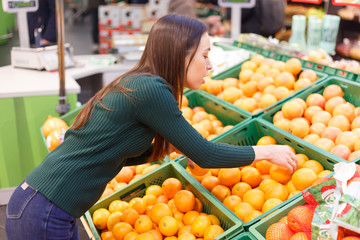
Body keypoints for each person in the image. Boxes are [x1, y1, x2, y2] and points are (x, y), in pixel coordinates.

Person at [5, 14, 297, 239]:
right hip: (44, 211)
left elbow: (117, 152)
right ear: (181, 55)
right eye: (205, 56)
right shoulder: (152, 90)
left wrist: (168, 148)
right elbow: (206, 156)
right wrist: (267, 152)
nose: (210, 65)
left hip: (42, 205)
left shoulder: (141, 83)